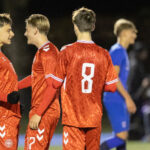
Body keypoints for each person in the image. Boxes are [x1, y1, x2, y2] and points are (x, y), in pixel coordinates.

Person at [29, 7, 118, 150]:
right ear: (93, 26)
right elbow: (112, 87)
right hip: (94, 118)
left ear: (75, 26)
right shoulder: (104, 54)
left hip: (73, 119)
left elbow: (54, 85)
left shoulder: (67, 51)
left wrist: (38, 113)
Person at [18, 14, 60, 149]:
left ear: (35, 30)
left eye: (27, 30)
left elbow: (52, 86)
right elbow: (35, 78)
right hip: (44, 110)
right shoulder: (42, 52)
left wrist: (39, 113)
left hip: (45, 111)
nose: (25, 33)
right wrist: (14, 86)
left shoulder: (48, 52)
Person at [101, 19, 137, 150]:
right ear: (125, 33)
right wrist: (128, 99)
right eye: (133, 32)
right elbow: (113, 78)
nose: (135, 35)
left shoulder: (122, 51)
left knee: (122, 137)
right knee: (121, 137)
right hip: (114, 98)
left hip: (118, 98)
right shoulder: (117, 51)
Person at [0, 13, 21, 149]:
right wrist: (7, 98)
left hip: (10, 117)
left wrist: (16, 106)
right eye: (8, 30)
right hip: (3, 120)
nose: (12, 34)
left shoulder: (3, 56)